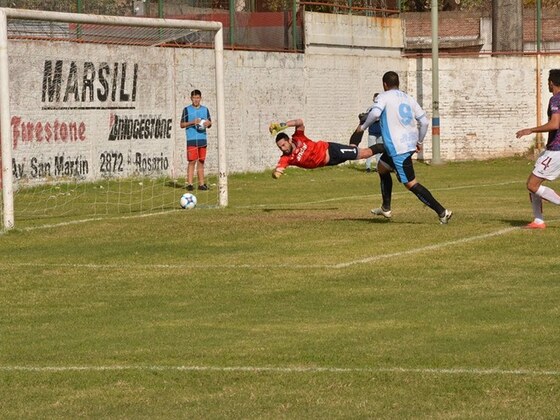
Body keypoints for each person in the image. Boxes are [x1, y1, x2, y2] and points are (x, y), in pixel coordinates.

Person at [355, 71, 453, 224]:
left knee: (411, 184)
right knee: (382, 167)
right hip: (407, 144)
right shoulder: (408, 98)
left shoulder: (384, 96)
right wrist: (419, 142)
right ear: (398, 83)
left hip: (397, 148)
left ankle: (442, 212)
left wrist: (363, 127)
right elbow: (425, 122)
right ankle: (386, 208)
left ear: (385, 84)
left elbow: (374, 115)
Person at [515, 69, 560, 229]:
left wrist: (531, 130)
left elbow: (555, 124)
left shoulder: (556, 99)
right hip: (552, 149)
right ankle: (538, 220)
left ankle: (539, 220)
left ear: (551, 83)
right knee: (533, 185)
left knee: (532, 185)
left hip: (556, 150)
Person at [270, 118, 383, 179]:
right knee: (353, 148)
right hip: (330, 161)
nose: (283, 149)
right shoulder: (286, 158)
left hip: (331, 150)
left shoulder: (298, 138)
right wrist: (276, 173)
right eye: (280, 147)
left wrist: (282, 125)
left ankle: (386, 147)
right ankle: (362, 122)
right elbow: (279, 169)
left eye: (283, 145)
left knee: (364, 154)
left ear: (289, 140)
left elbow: (299, 122)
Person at [180, 89, 212, 191]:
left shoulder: (205, 109)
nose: (196, 100)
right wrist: (192, 122)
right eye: (194, 98)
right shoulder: (186, 110)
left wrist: (208, 124)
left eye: (198, 98)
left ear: (200, 98)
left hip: (203, 139)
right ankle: (190, 184)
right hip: (192, 139)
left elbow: (210, 123)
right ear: (191, 98)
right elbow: (182, 124)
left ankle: (201, 184)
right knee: (192, 161)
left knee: (201, 161)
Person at [363, 93, 383, 173]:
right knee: (370, 150)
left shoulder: (382, 108)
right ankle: (368, 166)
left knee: (379, 151)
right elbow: (368, 117)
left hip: (380, 132)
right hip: (372, 132)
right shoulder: (370, 108)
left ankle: (378, 167)